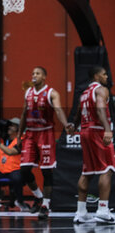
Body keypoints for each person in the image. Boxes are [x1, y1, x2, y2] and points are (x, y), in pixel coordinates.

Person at [17, 66, 72, 219]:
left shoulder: (52, 93)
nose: (34, 75)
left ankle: (46, 205)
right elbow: (23, 114)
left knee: (46, 171)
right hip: (30, 134)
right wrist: (19, 135)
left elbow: (59, 110)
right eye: (33, 73)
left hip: (46, 133)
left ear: (44, 77)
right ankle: (39, 196)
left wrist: (66, 124)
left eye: (38, 73)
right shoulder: (28, 92)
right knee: (24, 170)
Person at [73, 66, 115, 224]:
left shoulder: (84, 94)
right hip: (97, 130)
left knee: (87, 171)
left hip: (84, 131)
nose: (106, 77)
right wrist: (107, 129)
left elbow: (77, 113)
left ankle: (81, 212)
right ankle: (103, 210)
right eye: (104, 74)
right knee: (107, 169)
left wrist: (73, 125)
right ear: (96, 76)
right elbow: (100, 109)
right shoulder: (101, 90)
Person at [0, 118, 30, 211]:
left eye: (12, 126)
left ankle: (20, 201)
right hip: (1, 169)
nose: (9, 127)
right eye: (9, 125)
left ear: (18, 128)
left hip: (15, 169)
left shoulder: (21, 140)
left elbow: (11, 152)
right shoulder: (3, 140)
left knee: (17, 178)